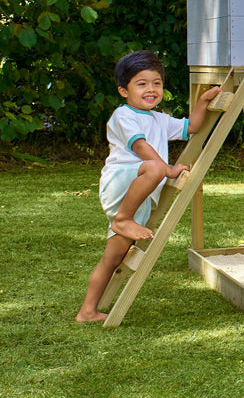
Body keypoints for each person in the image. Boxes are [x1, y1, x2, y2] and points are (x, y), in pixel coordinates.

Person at [76, 50, 221, 322]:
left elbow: (191, 128)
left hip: (140, 199)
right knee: (154, 166)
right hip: (120, 186)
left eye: (157, 83)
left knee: (113, 259)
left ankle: (87, 311)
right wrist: (167, 170)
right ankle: (122, 219)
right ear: (123, 90)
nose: (151, 89)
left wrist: (202, 102)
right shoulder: (123, 117)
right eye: (141, 84)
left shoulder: (159, 119)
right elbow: (142, 148)